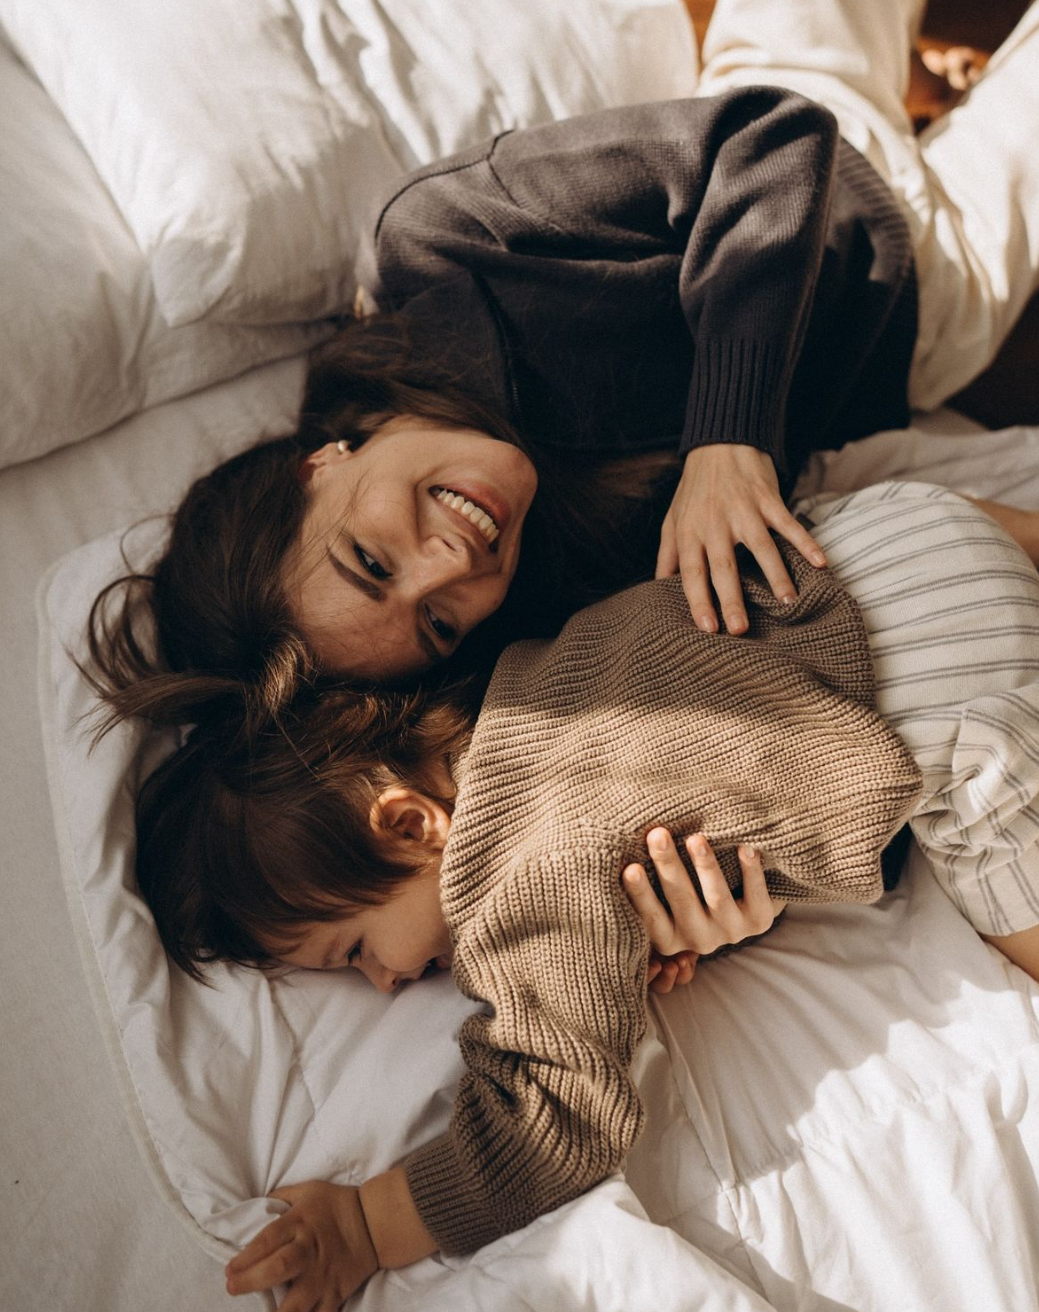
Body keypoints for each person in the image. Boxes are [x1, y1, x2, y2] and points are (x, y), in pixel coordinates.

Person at [135, 481, 1039, 1307]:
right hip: (897, 538)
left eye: (357, 949)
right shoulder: (524, 686)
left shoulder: (513, 889)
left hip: (958, 693)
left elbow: (557, 1112)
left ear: (410, 827)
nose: (383, 982)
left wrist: (371, 1224)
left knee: (1008, 892)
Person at [87, 0, 1039, 719]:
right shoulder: (559, 592)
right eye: (437, 624)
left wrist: (726, 439)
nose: (450, 566)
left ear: (315, 465)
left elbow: (771, 136)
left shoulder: (443, 245)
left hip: (800, 111)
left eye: (371, 560)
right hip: (914, 295)